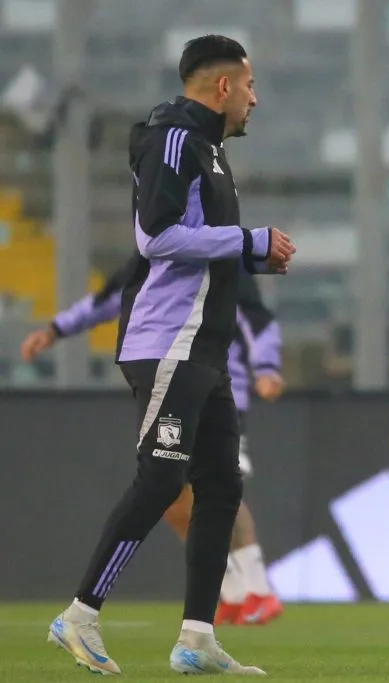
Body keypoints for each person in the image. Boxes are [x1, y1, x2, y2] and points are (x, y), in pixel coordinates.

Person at [45, 34, 294, 676]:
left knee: (221, 489)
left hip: (203, 349)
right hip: (168, 344)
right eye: (250, 86)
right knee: (161, 479)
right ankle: (79, 616)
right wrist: (249, 238)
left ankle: (197, 638)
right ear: (222, 87)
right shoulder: (176, 139)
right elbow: (156, 238)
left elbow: (197, 246)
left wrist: (251, 253)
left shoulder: (208, 151)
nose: (255, 99)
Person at [21, 258, 286, 628]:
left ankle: (258, 589)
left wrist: (268, 366)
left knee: (218, 485)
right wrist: (54, 330)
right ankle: (230, 591)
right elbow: (107, 300)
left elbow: (254, 317)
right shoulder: (152, 255)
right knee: (174, 494)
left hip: (221, 386)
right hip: (170, 380)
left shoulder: (222, 252)